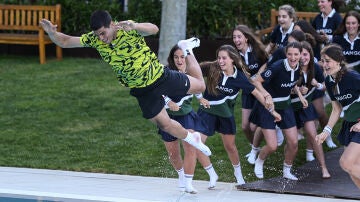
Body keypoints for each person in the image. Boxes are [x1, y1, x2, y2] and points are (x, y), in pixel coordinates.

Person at [39, 10, 212, 157]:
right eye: (97, 34)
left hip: (159, 76)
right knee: (165, 125)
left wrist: (135, 26)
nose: (101, 38)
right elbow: (65, 41)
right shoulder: (94, 39)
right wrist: (52, 33)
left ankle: (186, 48)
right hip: (142, 90)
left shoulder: (127, 28)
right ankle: (192, 139)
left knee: (200, 86)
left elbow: (154, 29)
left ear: (112, 24)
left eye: (103, 33)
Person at [197, 45, 281, 186]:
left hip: (225, 115)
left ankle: (238, 174)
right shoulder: (212, 67)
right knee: (197, 145)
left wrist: (272, 112)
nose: (220, 61)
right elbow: (193, 69)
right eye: (219, 58)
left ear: (232, 60)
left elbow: (257, 94)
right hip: (207, 113)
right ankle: (212, 175)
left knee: (230, 147)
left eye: (224, 58)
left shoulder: (241, 78)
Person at [159, 45, 218, 194]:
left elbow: (195, 87)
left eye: (182, 57)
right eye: (176, 57)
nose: (179, 60)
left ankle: (189, 183)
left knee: (191, 147)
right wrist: (168, 102)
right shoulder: (167, 72)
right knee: (173, 153)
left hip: (186, 115)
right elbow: (157, 90)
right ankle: (181, 176)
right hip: (168, 117)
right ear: (172, 59)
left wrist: (200, 98)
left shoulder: (191, 72)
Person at [251, 41, 305, 180]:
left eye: (296, 54)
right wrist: (267, 95)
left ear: (300, 54)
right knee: (272, 146)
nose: (293, 58)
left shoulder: (300, 67)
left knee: (293, 143)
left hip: (285, 106)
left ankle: (287, 170)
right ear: (286, 54)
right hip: (268, 107)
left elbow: (290, 85)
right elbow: (256, 81)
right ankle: (259, 160)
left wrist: (299, 94)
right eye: (290, 54)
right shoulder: (277, 66)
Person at [316, 43, 360, 189]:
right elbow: (336, 109)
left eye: (327, 61)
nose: (324, 64)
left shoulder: (352, 77)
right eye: (322, 61)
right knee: (353, 170)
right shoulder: (329, 80)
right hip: (350, 124)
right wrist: (326, 131)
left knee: (346, 163)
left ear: (338, 61)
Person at [295, 20, 338, 149]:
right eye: (295, 31)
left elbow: (323, 62)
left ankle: (327, 135)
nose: (296, 33)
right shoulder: (294, 47)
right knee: (304, 114)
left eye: (298, 31)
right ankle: (305, 141)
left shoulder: (313, 43)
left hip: (315, 83)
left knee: (320, 111)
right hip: (302, 87)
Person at [291, 41, 331, 178]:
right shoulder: (292, 69)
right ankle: (287, 167)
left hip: (305, 106)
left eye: (305, 54)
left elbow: (326, 85)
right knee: (292, 142)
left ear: (310, 55)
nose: (302, 57)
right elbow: (281, 88)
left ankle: (324, 168)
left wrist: (317, 84)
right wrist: (296, 91)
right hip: (290, 108)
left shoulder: (315, 69)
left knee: (314, 135)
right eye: (300, 54)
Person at [232, 24, 268, 163]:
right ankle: (255, 147)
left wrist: (258, 76)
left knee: (255, 125)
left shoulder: (257, 50)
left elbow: (267, 63)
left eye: (239, 36)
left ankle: (255, 149)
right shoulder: (234, 55)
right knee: (245, 126)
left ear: (246, 38)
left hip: (260, 89)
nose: (236, 40)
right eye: (234, 37)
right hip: (247, 92)